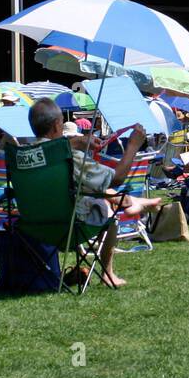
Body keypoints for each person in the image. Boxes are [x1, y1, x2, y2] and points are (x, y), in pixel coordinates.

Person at [26, 97, 155, 288]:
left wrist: (77, 142)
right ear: (55, 126)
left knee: (85, 190)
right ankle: (107, 273)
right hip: (69, 226)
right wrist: (133, 147)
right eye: (62, 123)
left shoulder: (23, 154)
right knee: (108, 213)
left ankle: (129, 201)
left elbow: (49, 150)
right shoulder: (70, 157)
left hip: (33, 225)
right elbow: (116, 178)